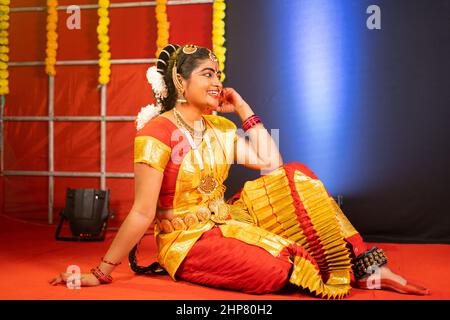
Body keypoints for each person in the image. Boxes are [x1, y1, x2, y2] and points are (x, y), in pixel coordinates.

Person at [50, 44, 429, 299]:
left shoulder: (219, 128)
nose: (217, 83)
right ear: (181, 82)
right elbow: (142, 212)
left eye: (218, 75)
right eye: (207, 75)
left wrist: (244, 108)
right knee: (282, 267)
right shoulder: (157, 134)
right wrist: (102, 272)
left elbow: (271, 164)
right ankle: (322, 263)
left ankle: (364, 266)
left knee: (297, 173)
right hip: (187, 242)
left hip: (227, 219)